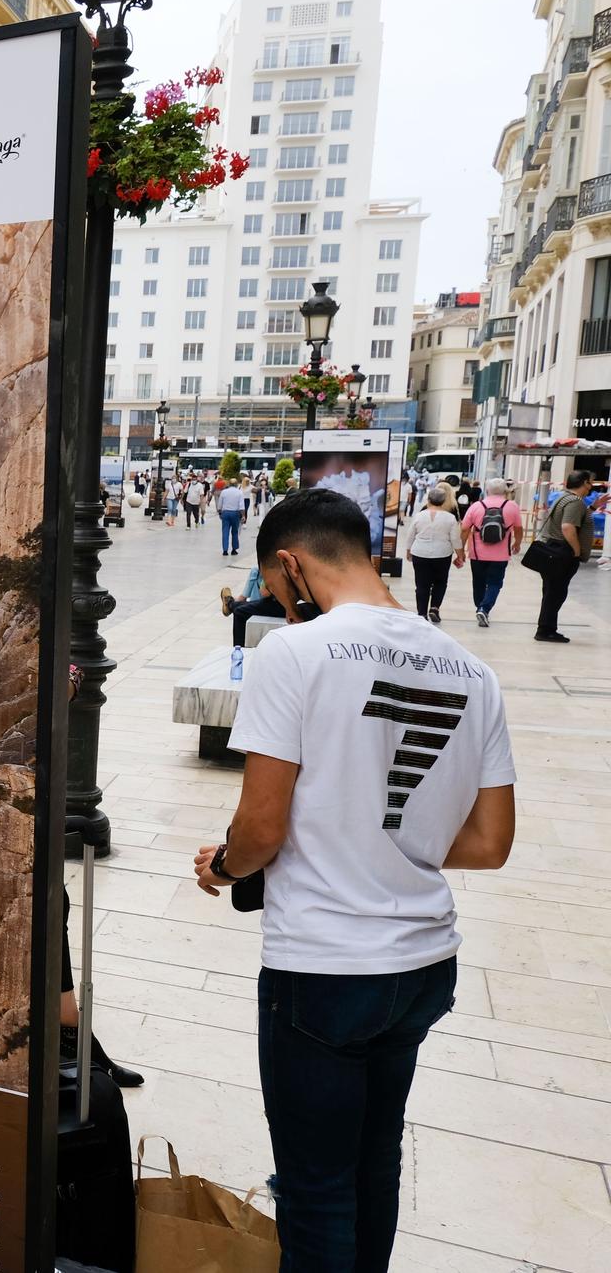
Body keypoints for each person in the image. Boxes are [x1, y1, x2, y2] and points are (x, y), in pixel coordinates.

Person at [194, 488, 516, 1271]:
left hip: (325, 971)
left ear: (292, 565)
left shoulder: (294, 654)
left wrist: (222, 865)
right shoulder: (474, 671)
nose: (284, 606)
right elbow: (490, 840)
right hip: (421, 967)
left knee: (315, 1188)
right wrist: (381, 838)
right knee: (374, 1166)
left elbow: (262, 830)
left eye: (278, 591)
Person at [530, 468, 597, 643]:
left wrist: (593, 508)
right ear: (584, 483)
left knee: (551, 591)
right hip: (562, 551)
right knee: (555, 593)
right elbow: (568, 526)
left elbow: (573, 519)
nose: (592, 486)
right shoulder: (575, 502)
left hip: (553, 550)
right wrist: (576, 550)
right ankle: (545, 630)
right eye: (590, 482)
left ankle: (547, 628)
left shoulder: (563, 497)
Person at [459, 478, 522, 628]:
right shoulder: (512, 506)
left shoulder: (476, 506)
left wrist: (460, 550)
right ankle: (484, 608)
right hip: (501, 555)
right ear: (505, 491)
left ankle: (480, 607)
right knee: (495, 583)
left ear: (487, 491)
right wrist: (517, 543)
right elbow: (518, 528)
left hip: (477, 554)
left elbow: (464, 529)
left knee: (478, 582)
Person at [405, 487, 461, 624]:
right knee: (440, 582)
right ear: (443, 501)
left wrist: (408, 550)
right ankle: (434, 608)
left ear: (428, 499)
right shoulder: (450, 518)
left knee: (421, 584)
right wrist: (460, 555)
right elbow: (455, 539)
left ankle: (421, 613)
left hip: (420, 553)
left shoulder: (419, 515)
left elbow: (410, 534)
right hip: (442, 554)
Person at [218, 566, 286, 648]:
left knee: (240, 612)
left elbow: (264, 593)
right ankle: (232, 603)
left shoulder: (278, 563)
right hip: (295, 605)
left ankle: (239, 651)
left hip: (286, 606)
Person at [216, 476, 248, 556]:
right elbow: (241, 506)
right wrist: (243, 516)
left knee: (225, 531)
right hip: (235, 514)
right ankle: (234, 549)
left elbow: (220, 504)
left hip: (225, 513)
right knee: (235, 532)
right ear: (237, 484)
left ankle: (225, 550)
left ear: (229, 484)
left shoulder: (224, 492)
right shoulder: (239, 492)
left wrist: (220, 513)